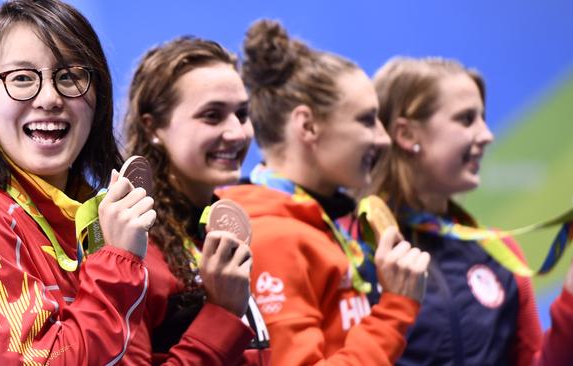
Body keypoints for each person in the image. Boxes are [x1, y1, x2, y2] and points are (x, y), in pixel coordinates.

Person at [0, 1, 156, 364]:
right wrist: (118, 264)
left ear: (99, 98)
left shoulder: (87, 219)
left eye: (71, 76)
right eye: (22, 78)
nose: (49, 98)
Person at [217, 19, 430, 365]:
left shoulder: (329, 221)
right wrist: (395, 310)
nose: (383, 138)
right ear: (308, 126)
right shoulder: (272, 236)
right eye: (366, 120)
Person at [371, 56, 573, 365]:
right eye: (466, 119)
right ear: (407, 134)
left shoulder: (497, 251)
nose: (486, 135)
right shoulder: (355, 246)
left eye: (483, 117)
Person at [121, 37, 270, 364]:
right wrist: (223, 312)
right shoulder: (132, 245)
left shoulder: (215, 227)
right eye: (212, 116)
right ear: (154, 127)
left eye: (242, 114)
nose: (237, 133)